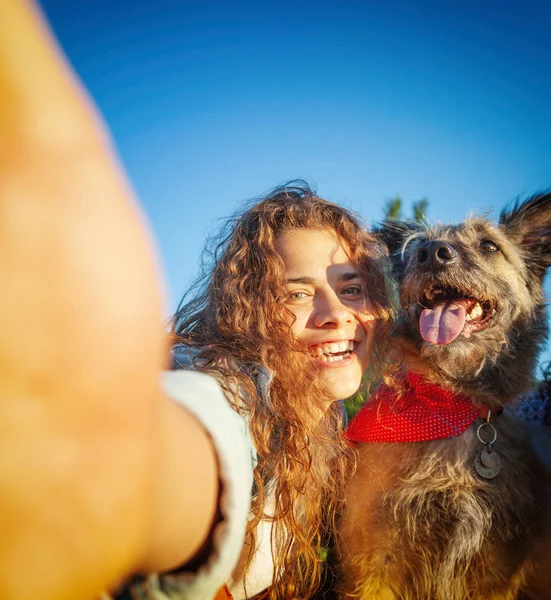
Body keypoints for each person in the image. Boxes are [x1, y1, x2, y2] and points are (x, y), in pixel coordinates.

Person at [0, 2, 391, 599]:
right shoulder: (234, 392)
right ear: (252, 311)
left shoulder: (341, 424)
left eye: (351, 287)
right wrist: (102, 482)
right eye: (295, 292)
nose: (336, 313)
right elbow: (186, 443)